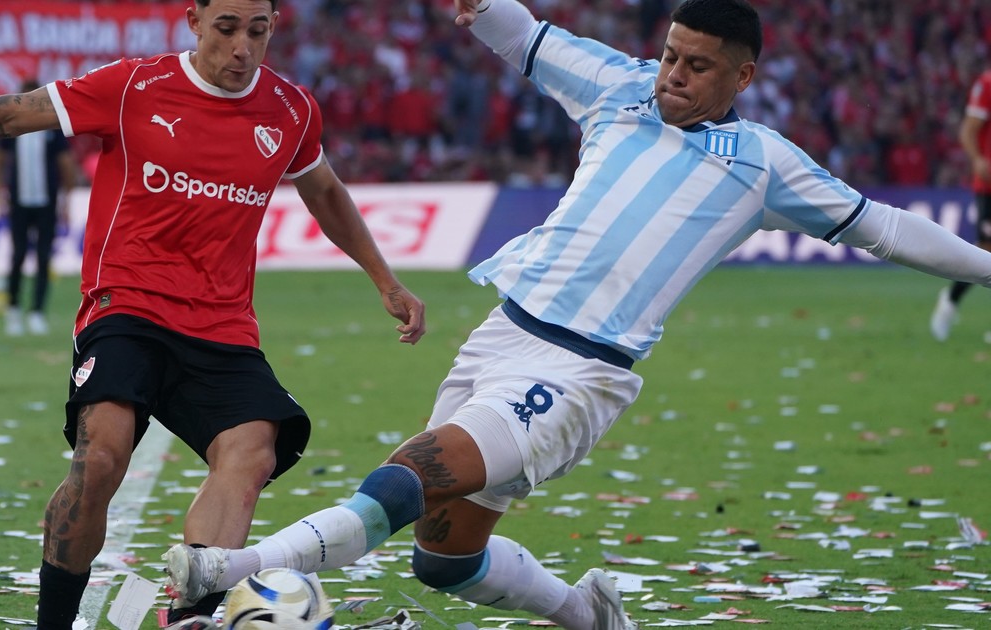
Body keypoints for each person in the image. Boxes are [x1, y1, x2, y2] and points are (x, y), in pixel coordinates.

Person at [157, 0, 991, 629]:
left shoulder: (764, 164)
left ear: (741, 78)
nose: (673, 74)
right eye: (671, 55)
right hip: (501, 336)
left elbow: (885, 227)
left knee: (408, 477)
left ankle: (231, 570)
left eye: (698, 66)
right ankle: (587, 614)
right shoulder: (618, 86)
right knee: (444, 561)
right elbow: (518, 32)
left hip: (579, 371)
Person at [0, 0, 426, 627]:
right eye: (226, 28)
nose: (242, 48)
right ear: (194, 21)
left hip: (222, 326)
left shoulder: (291, 109)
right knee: (100, 459)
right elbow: (11, 113)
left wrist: (385, 279)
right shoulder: (132, 87)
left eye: (257, 31)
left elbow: (325, 190)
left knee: (252, 449)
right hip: (126, 308)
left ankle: (193, 613)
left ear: (273, 27)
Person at [0, 79, 77, 337]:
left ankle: (37, 311)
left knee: (44, 257)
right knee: (17, 256)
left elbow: (66, 164)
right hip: (19, 201)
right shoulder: (13, 128)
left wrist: (67, 199)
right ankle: (13, 309)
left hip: (47, 202)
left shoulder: (52, 128)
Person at [929, 67, 991, 342]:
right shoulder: (987, 83)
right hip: (989, 186)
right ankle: (951, 299)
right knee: (987, 251)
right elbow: (968, 130)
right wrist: (978, 160)